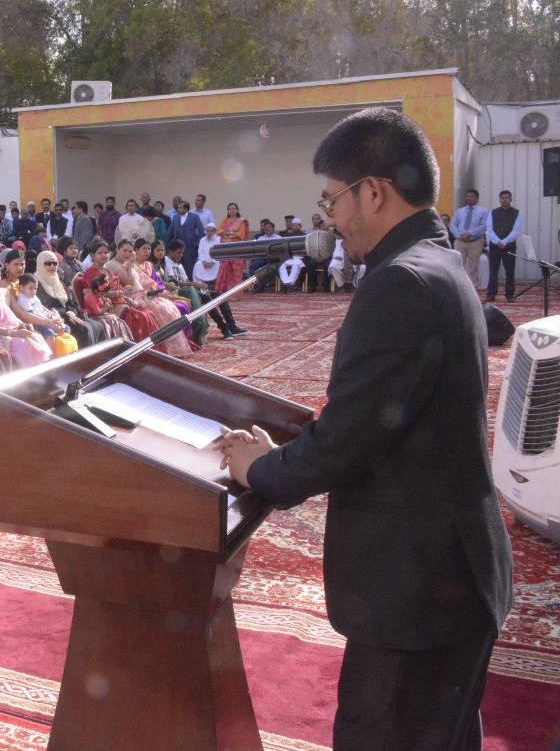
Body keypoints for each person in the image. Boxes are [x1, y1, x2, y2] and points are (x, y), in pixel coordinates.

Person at [218, 107, 512, 750]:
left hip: (418, 592)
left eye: (331, 200)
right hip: (450, 577)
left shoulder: (399, 284)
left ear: (372, 190)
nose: (328, 220)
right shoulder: (438, 263)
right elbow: (384, 421)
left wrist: (257, 469)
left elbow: (351, 440)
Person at [0, 259, 51, 367]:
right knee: (23, 343)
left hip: (6, 331)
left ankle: (41, 377)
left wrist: (22, 325)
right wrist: (13, 333)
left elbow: (8, 315)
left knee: (35, 337)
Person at [164, 239, 245, 341]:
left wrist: (197, 285)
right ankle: (224, 329)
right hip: (181, 292)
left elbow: (186, 280)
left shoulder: (179, 265)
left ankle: (232, 327)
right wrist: (196, 284)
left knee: (219, 296)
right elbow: (175, 283)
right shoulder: (167, 262)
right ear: (171, 252)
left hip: (190, 289)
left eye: (182, 252)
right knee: (207, 299)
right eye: (178, 252)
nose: (181, 255)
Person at [485, 189, 522, 302]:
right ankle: (491, 294)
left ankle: (510, 295)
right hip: (495, 246)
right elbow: (489, 229)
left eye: (507, 198)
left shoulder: (517, 213)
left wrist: (504, 242)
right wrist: (497, 241)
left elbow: (516, 231)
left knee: (510, 271)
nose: (504, 200)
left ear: (511, 200)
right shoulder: (493, 212)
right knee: (493, 271)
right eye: (502, 198)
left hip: (509, 246)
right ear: (500, 200)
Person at [450, 189, 489, 287]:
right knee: (458, 264)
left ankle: (473, 288)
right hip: (460, 241)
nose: (468, 198)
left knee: (473, 266)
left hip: (475, 242)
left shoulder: (483, 211)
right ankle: (458, 286)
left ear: (476, 198)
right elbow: (453, 225)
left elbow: (485, 225)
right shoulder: (460, 211)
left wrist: (469, 233)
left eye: (471, 196)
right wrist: (460, 235)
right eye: (467, 196)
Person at [214, 203, 249, 294]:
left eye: (233, 209)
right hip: (226, 250)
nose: (232, 210)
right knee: (224, 270)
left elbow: (241, 234)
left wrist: (229, 233)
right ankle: (222, 291)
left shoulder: (241, 221)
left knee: (236, 271)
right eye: (230, 209)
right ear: (228, 211)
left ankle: (235, 293)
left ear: (237, 210)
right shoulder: (225, 220)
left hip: (236, 250)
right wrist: (227, 233)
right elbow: (219, 231)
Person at [167, 200, 206, 277]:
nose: (178, 209)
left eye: (180, 208)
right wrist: (168, 243)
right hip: (176, 247)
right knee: (177, 265)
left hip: (190, 247)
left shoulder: (194, 217)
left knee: (190, 266)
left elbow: (201, 230)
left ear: (186, 209)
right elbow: (170, 231)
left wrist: (197, 243)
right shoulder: (175, 217)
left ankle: (190, 283)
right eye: (178, 208)